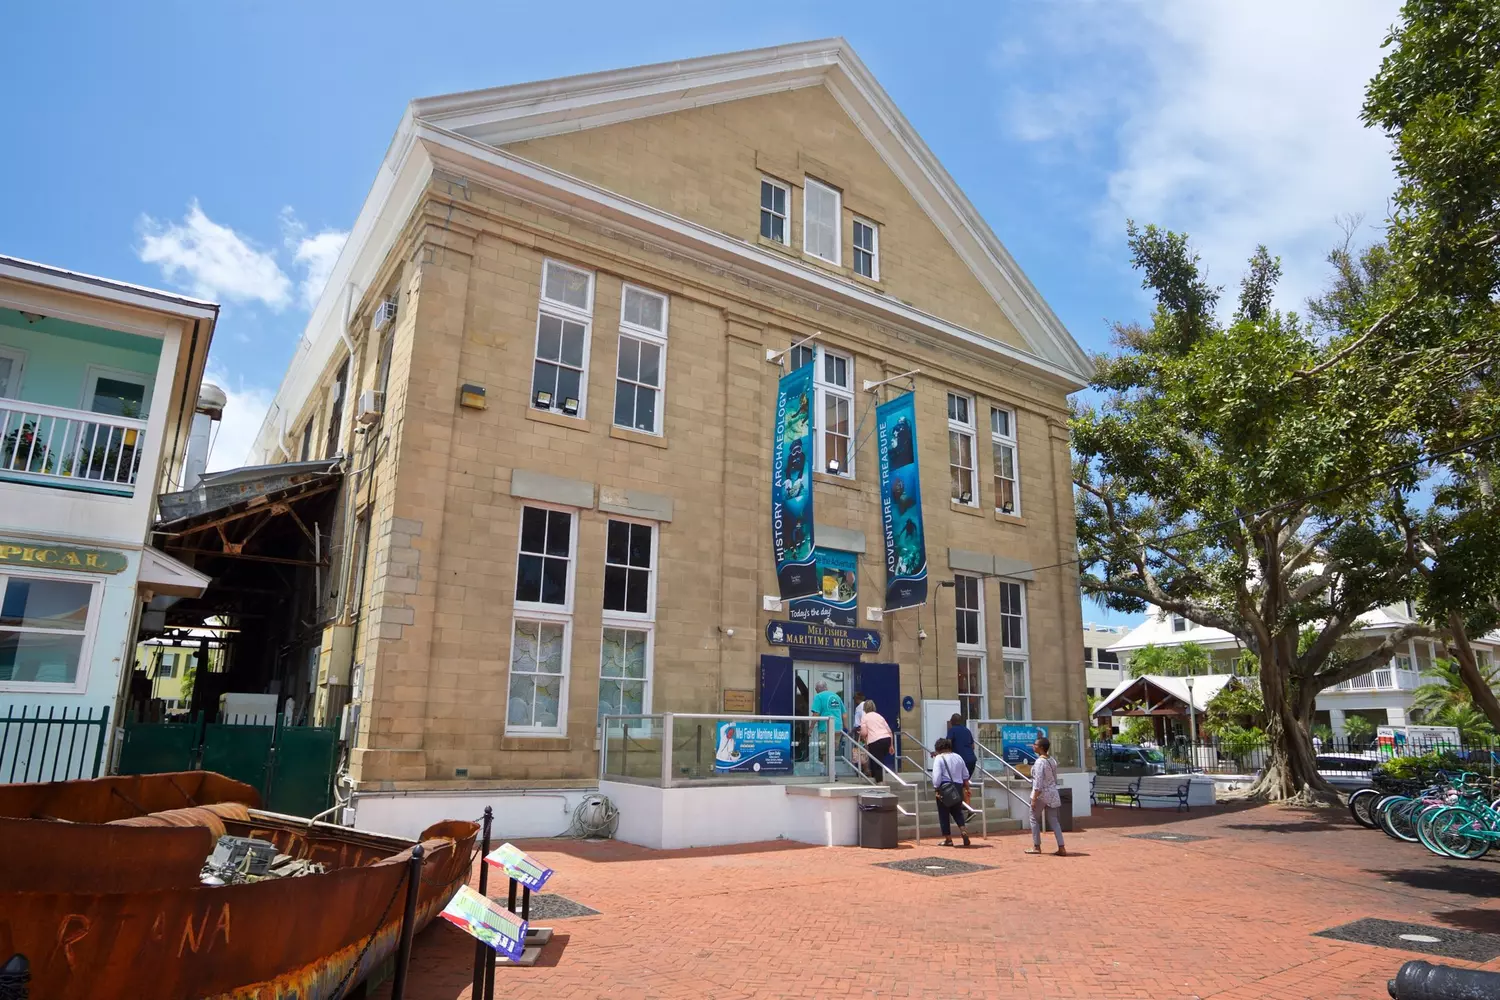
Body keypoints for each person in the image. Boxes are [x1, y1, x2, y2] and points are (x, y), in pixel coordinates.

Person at [1024, 735, 1066, 856]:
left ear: (1041, 748)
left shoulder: (1039, 763)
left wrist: (1034, 798)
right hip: (1053, 792)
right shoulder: (1052, 760)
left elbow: (1038, 782)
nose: (1033, 746)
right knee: (1054, 820)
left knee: (1033, 818)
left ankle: (1037, 846)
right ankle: (1061, 846)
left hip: (1042, 794)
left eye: (1035, 745)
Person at [930, 737, 971, 848]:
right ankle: (963, 830)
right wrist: (966, 787)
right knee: (957, 811)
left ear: (938, 748)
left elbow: (937, 776)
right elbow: (965, 774)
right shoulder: (958, 757)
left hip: (945, 787)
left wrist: (936, 788)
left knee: (943, 813)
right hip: (957, 787)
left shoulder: (939, 758)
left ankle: (948, 839)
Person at [859, 700, 893, 779]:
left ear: (864, 708)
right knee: (879, 760)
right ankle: (878, 778)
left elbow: (864, 733)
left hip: (875, 741)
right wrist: (891, 746)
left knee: (876, 762)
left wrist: (860, 733)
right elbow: (889, 731)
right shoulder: (879, 716)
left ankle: (879, 782)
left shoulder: (865, 717)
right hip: (886, 739)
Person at [809, 681, 844, 755]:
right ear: (826, 688)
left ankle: (825, 766)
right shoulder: (836, 696)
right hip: (838, 728)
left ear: (816, 689)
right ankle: (831, 766)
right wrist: (847, 728)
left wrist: (811, 728)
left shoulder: (819, 696)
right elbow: (844, 715)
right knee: (832, 752)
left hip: (825, 728)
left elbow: (816, 714)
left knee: (825, 752)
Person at [947, 713, 977, 777]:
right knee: (965, 781)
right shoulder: (967, 730)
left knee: (958, 781)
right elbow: (973, 746)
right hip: (971, 760)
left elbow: (948, 743)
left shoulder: (952, 730)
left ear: (952, 721)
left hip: (960, 760)